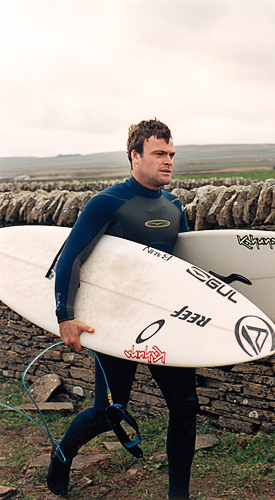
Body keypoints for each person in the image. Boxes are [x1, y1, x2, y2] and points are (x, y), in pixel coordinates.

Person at [46, 119, 198, 500]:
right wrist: (65, 315)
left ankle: (178, 494)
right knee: (108, 412)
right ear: (135, 156)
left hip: (164, 321)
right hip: (115, 322)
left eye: (171, 155)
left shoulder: (176, 206)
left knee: (185, 405)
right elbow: (71, 258)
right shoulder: (108, 203)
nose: (168, 162)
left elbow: (185, 267)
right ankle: (62, 458)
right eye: (159, 154)